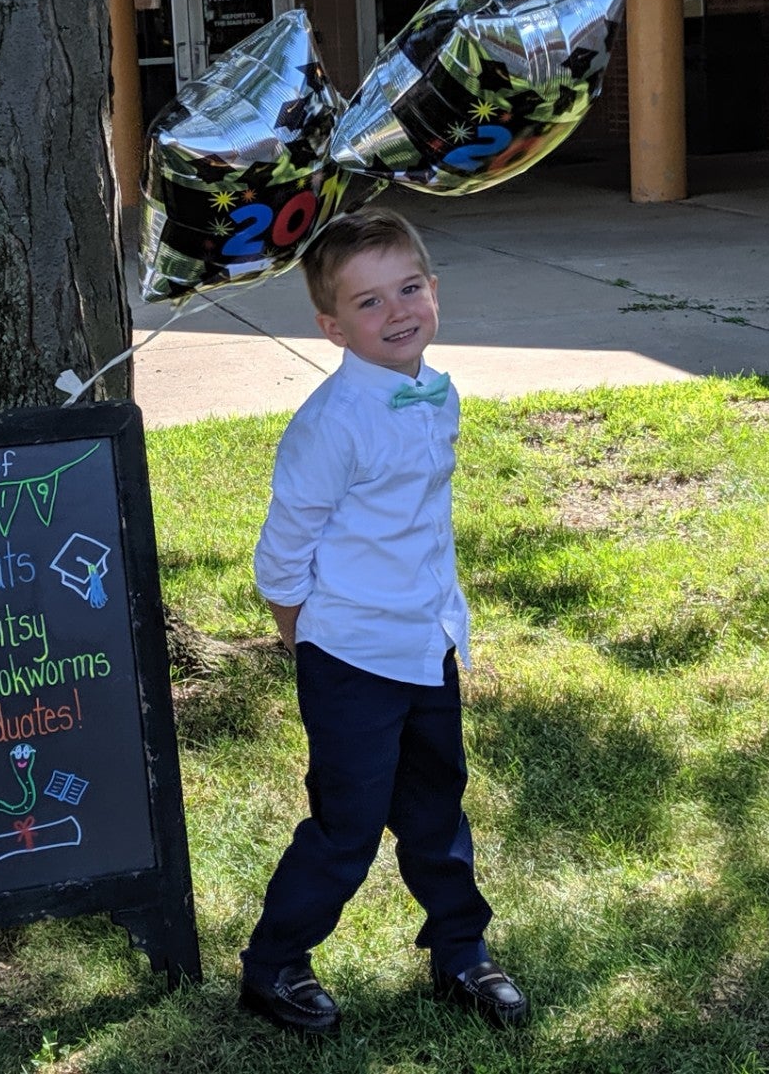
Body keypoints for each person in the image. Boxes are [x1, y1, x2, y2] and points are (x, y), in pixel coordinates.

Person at [238, 207, 528, 1035]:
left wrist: (441, 620)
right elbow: (282, 554)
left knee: (438, 807)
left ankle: (460, 951)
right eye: (368, 302)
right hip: (352, 657)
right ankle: (274, 965)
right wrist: (304, 639)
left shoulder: (437, 395)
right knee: (348, 824)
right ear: (330, 326)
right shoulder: (329, 426)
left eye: (408, 288)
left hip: (427, 641)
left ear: (434, 291)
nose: (397, 311)